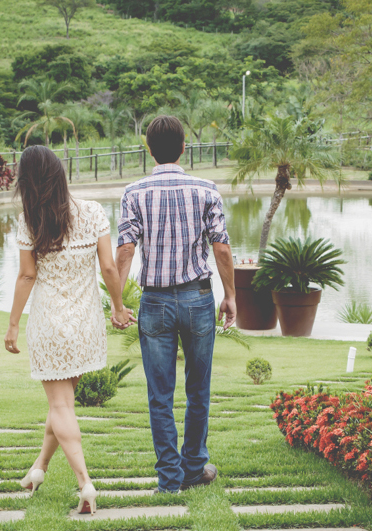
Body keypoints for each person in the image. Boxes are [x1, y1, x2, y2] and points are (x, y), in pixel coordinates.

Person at [3, 145, 133, 515]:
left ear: (27, 182)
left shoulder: (30, 221)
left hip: (49, 325)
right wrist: (119, 308)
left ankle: (84, 484)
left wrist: (13, 324)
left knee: (59, 406)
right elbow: (109, 268)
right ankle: (38, 470)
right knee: (63, 407)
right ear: (59, 173)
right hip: (85, 325)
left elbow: (28, 275)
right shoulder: (92, 211)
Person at [113, 115, 236, 494]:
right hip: (199, 298)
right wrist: (230, 296)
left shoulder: (134, 193)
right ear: (185, 146)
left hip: (155, 302)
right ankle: (195, 467)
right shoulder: (207, 190)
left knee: (159, 394)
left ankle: (169, 478)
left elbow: (126, 249)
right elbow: (221, 247)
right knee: (198, 389)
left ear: (148, 149)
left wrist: (117, 303)